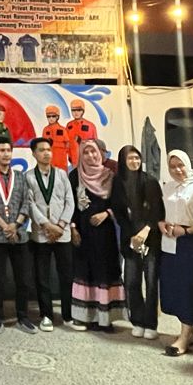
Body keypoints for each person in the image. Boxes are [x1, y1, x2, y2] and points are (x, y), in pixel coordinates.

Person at [0, 136, 35, 332]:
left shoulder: (20, 176)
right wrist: (5, 226)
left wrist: (15, 225)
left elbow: (26, 203)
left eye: (8, 150)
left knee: (23, 279)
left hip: (19, 235)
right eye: (1, 150)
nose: (6, 154)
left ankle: (23, 317)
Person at [68, 139, 125, 331]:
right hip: (83, 233)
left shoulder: (110, 176)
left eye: (93, 152)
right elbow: (71, 204)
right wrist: (73, 228)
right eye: (85, 152)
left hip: (105, 233)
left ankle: (106, 319)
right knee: (86, 272)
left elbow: (119, 203)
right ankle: (87, 316)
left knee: (105, 272)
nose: (90, 155)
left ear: (100, 154)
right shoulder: (75, 175)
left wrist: (106, 214)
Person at [159, 149, 193, 357]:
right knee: (174, 287)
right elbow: (161, 212)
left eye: (180, 165)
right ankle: (190, 334)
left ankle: (184, 337)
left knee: (189, 287)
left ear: (187, 165)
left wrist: (186, 230)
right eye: (173, 166)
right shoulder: (167, 187)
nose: (177, 170)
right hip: (170, 241)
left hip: (191, 241)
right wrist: (161, 223)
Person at [114, 145, 164, 340]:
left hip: (151, 237)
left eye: (137, 158)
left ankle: (151, 323)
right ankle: (137, 320)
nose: (134, 161)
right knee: (132, 281)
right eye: (130, 158)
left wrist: (144, 231)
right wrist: (132, 236)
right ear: (123, 161)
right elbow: (119, 213)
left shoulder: (150, 181)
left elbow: (157, 211)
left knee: (151, 282)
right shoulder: (118, 183)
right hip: (130, 239)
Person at [27, 135, 75, 330]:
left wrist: (60, 225)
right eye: (41, 150)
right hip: (41, 233)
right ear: (34, 153)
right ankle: (46, 315)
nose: (46, 153)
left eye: (48, 149)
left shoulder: (62, 174)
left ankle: (67, 315)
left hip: (62, 233)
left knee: (66, 275)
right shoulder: (29, 177)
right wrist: (47, 225)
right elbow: (30, 204)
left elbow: (69, 201)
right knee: (42, 277)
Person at [64, 100, 98, 166]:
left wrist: (81, 141)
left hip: (87, 161)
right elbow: (67, 143)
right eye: (73, 110)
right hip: (74, 160)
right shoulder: (69, 126)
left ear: (83, 111)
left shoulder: (90, 126)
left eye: (79, 110)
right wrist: (69, 156)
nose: (76, 112)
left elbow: (95, 144)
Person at [40, 106, 71, 170]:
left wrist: (55, 144)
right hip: (49, 159)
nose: (51, 118)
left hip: (61, 160)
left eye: (53, 116)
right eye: (48, 116)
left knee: (62, 175)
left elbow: (68, 144)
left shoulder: (62, 130)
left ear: (57, 117)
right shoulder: (45, 130)